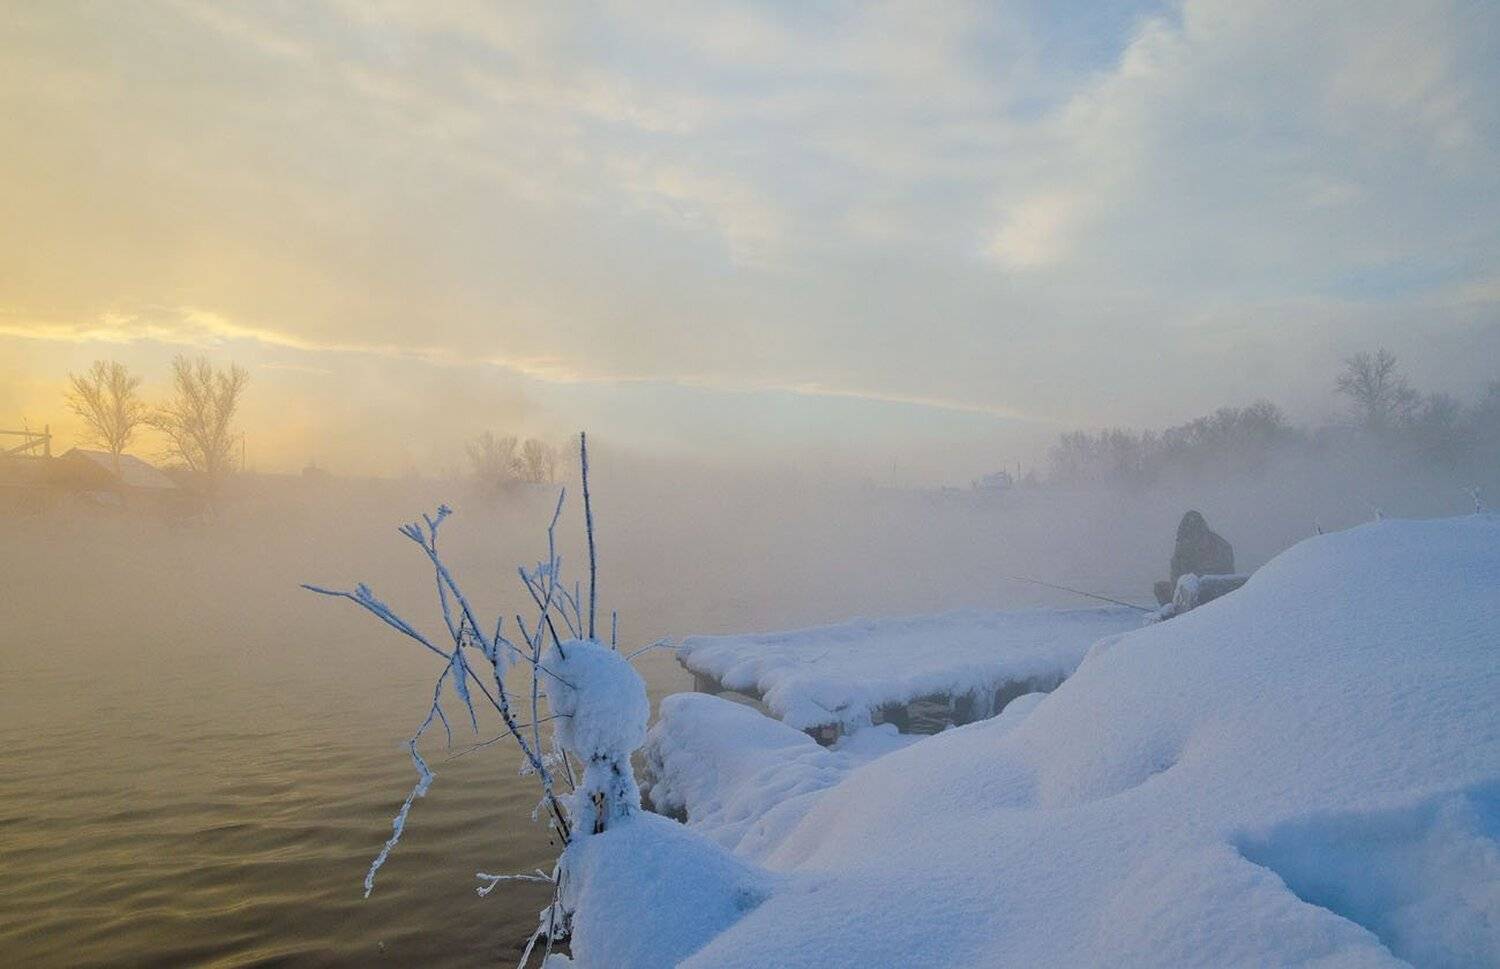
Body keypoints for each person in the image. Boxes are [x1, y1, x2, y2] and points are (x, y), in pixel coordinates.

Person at [1154, 510, 1235, 605]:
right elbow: (1176, 576)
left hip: (1215, 595)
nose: (1189, 541)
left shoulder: (1222, 547)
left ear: (1204, 533)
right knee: (1160, 588)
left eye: (1193, 536)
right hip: (1188, 592)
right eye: (1186, 538)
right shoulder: (1183, 547)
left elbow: (1225, 579)